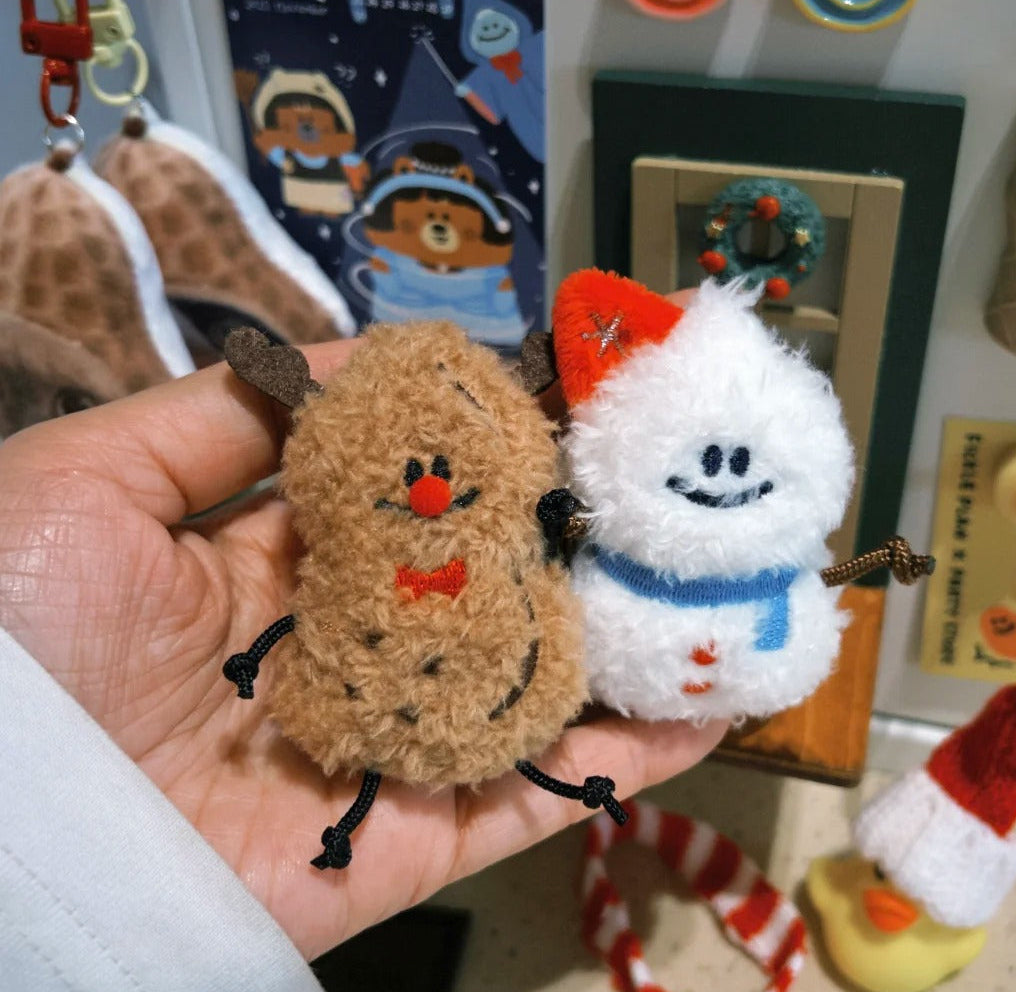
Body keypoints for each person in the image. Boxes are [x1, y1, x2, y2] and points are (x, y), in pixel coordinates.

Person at [0, 335, 728, 991]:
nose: (430, 492)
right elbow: (303, 616)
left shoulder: (511, 532)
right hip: (380, 709)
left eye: (440, 469)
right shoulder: (356, 552)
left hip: (502, 694)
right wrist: (253, 658)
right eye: (410, 472)